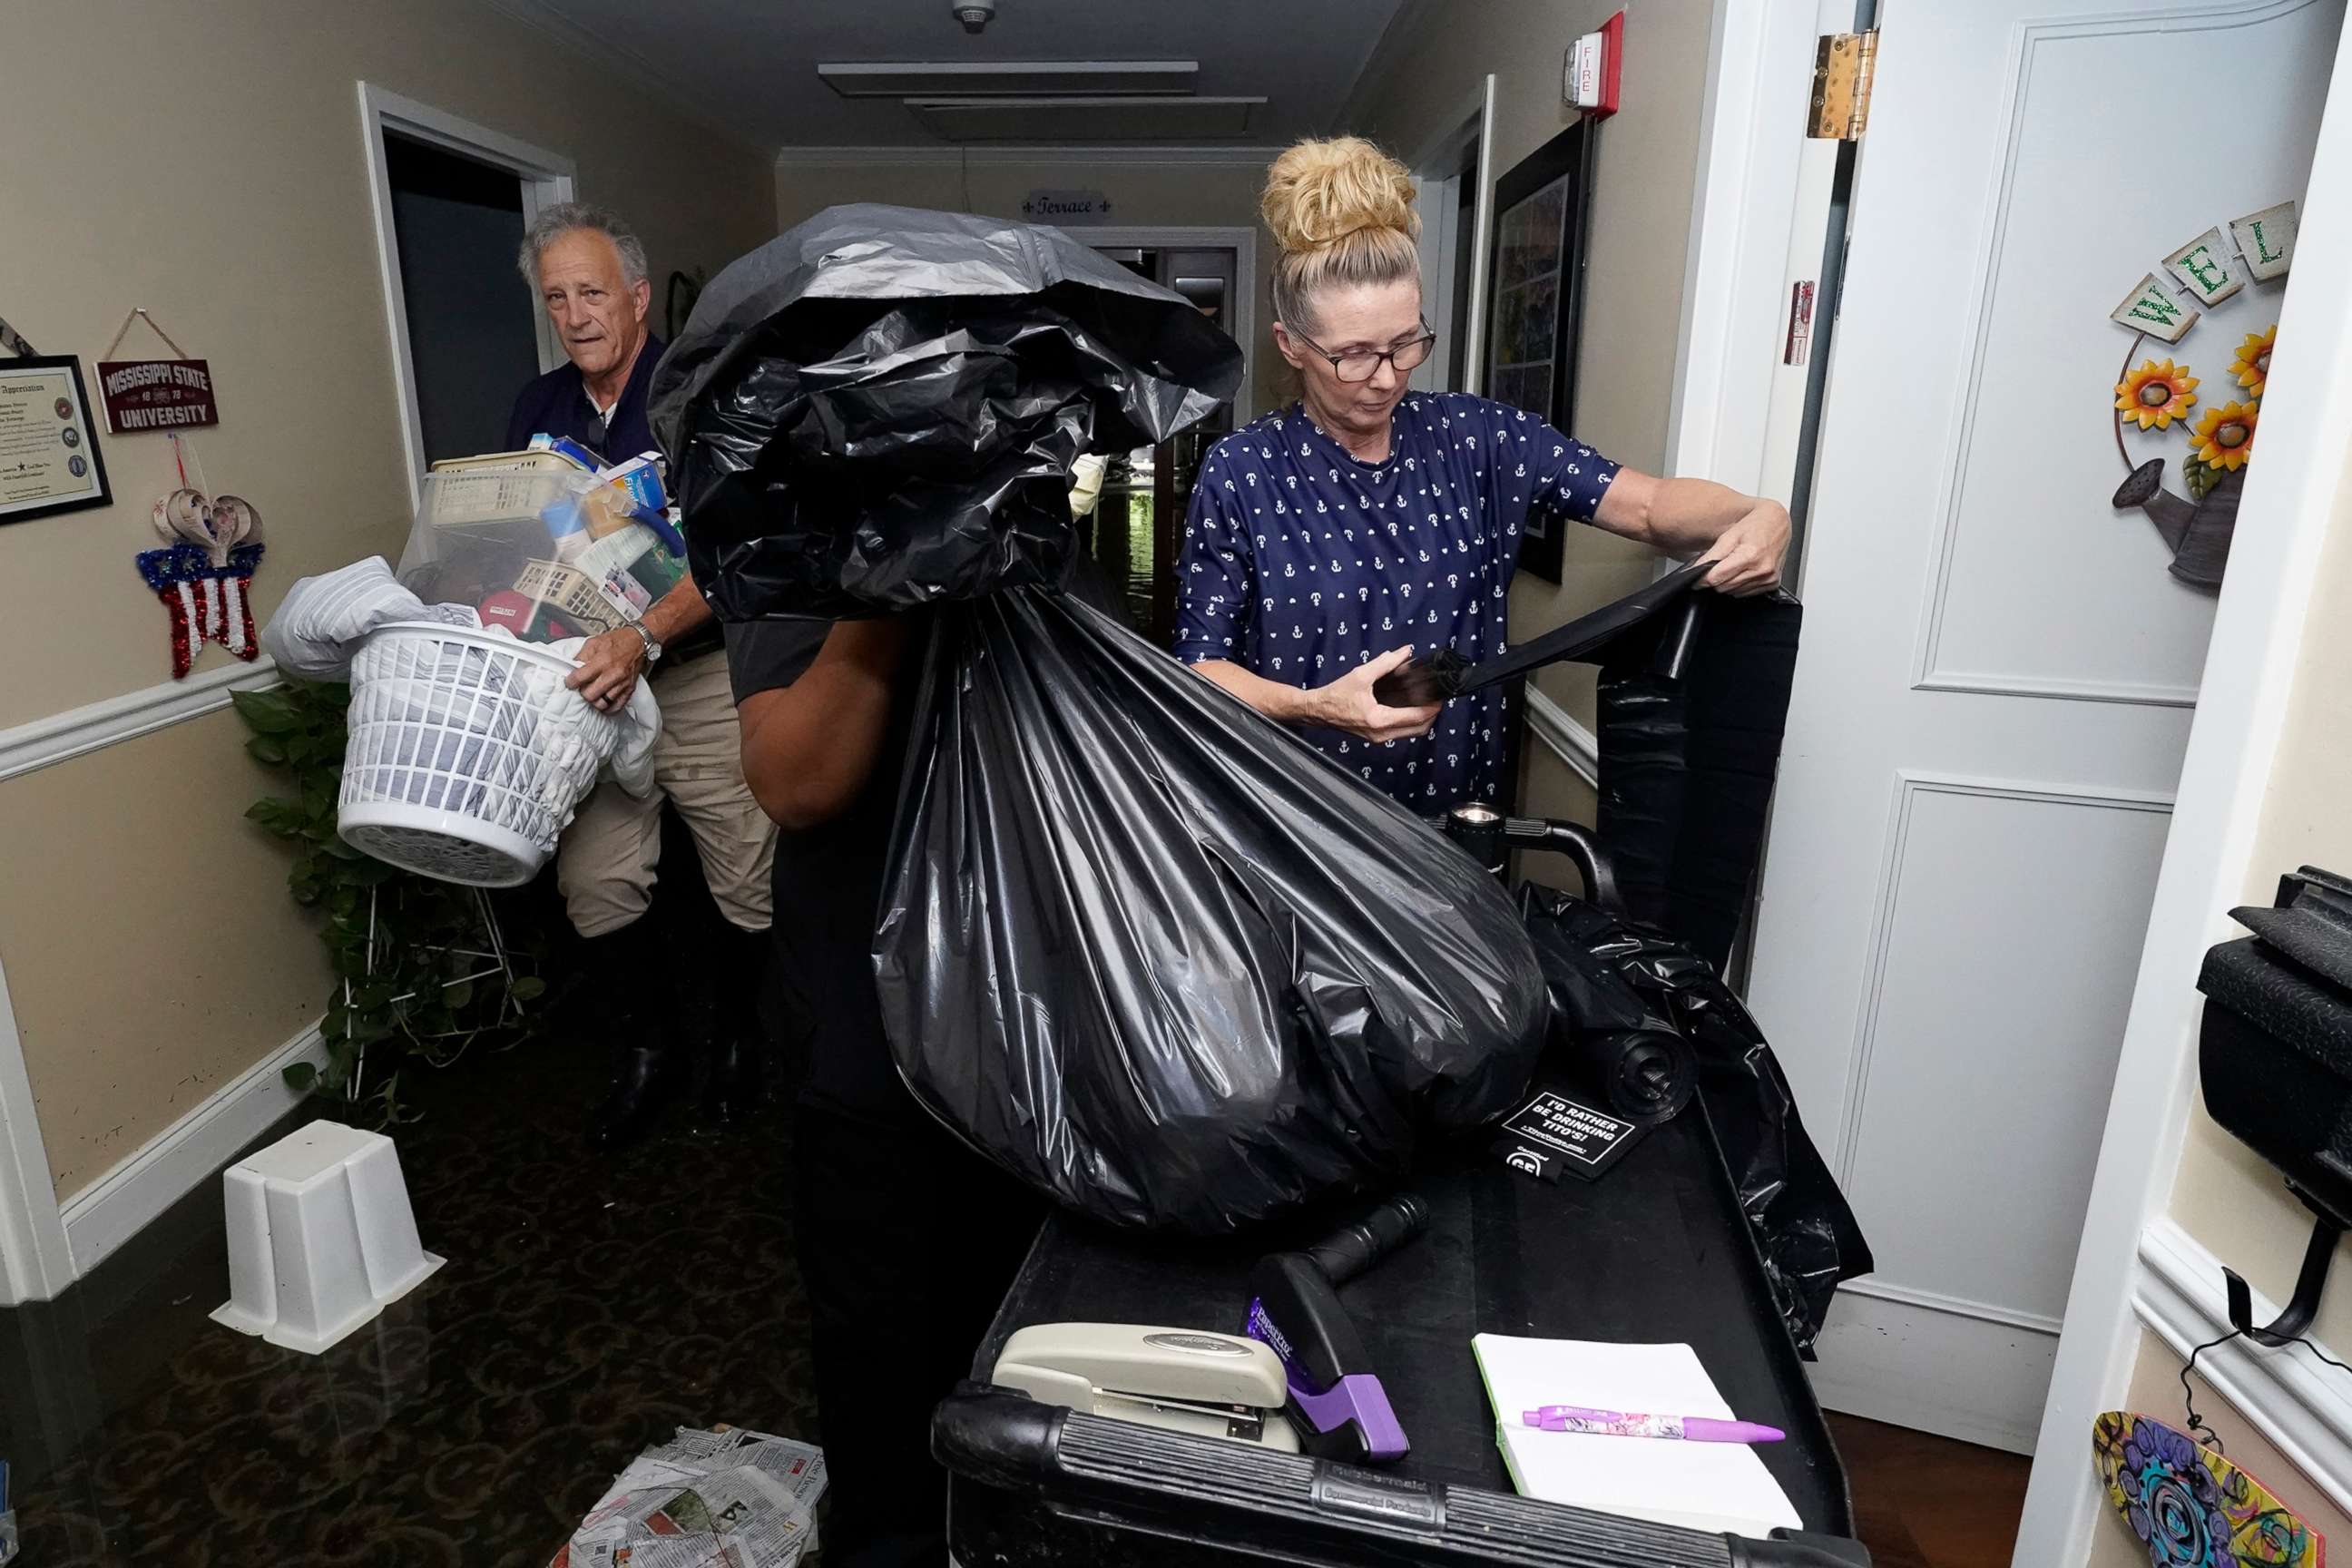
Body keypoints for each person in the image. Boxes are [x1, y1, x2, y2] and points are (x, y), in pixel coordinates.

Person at [1176, 138, 1791, 810]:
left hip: (1459, 815)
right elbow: (1198, 669)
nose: (1385, 378)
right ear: (1291, 345)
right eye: (1352, 355)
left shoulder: (1483, 439)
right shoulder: (1242, 471)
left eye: (1405, 343)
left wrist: (1756, 514)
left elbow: (1648, 507)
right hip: (1304, 827)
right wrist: (1314, 705)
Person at [729, 610, 1045, 1568]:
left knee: (1027, 1339)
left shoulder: (1023, 513)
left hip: (1032, 1030)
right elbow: (796, 780)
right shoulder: (791, 519)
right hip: (875, 1035)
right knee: (888, 1365)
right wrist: (891, 590)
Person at [508, 202, 776, 1145]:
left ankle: (741, 1037)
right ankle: (649, 1049)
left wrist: (645, 641)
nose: (576, 315)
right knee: (596, 883)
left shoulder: (701, 393)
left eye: (592, 292)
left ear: (633, 294)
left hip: (696, 671)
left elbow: (739, 550)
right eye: (555, 298)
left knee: (746, 874)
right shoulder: (536, 411)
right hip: (591, 682)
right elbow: (525, 543)